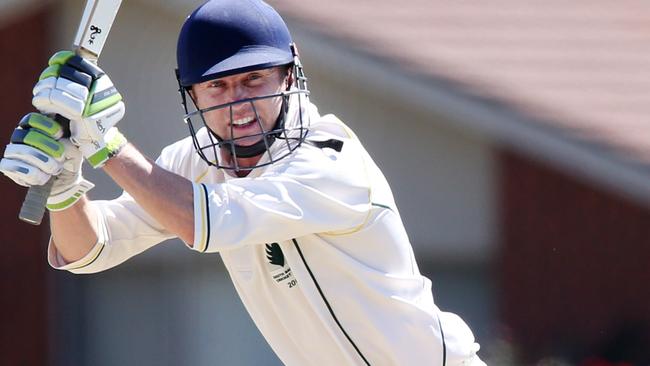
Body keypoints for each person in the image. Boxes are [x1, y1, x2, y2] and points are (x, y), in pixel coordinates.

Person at [0, 1, 485, 365]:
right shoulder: (193, 163)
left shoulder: (331, 161)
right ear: (192, 94)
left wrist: (106, 144)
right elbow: (89, 251)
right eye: (218, 86)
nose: (238, 105)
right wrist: (65, 186)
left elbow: (204, 222)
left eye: (253, 79)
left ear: (289, 73)